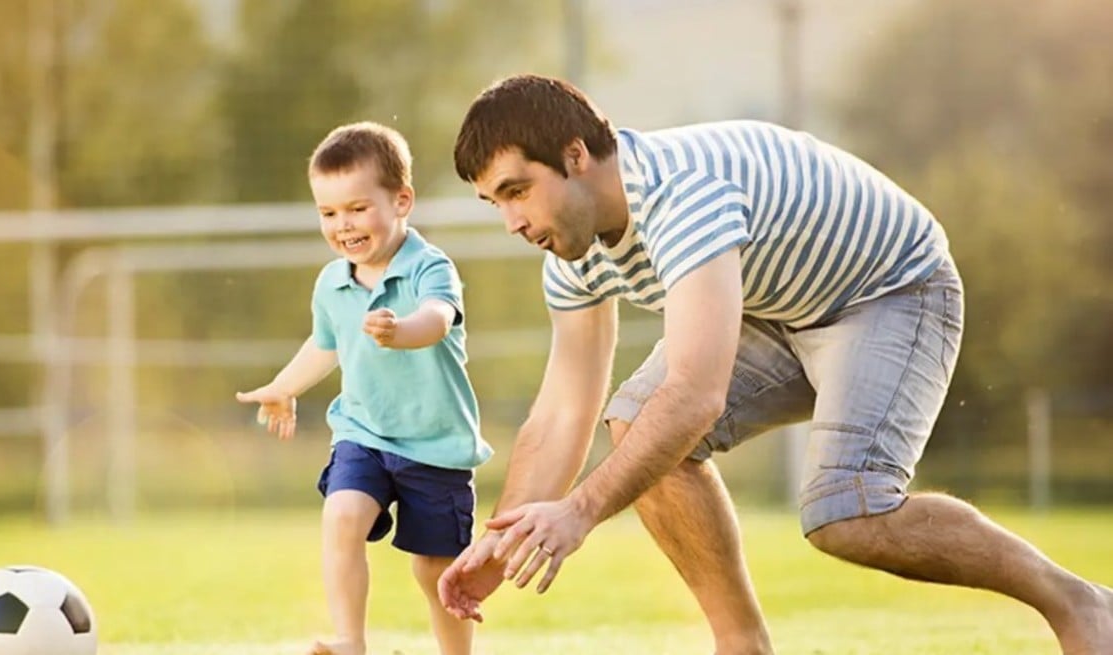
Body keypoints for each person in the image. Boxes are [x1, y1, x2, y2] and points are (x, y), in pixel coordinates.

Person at [435, 74, 1113, 654]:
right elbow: (560, 414)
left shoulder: (681, 195)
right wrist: (505, 539)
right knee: (638, 421)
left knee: (846, 514)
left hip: (889, 290)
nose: (512, 223)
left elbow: (696, 394)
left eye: (517, 190)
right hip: (780, 308)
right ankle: (743, 646)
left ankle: (1078, 601)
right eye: (495, 202)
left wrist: (579, 510)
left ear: (576, 155)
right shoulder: (574, 253)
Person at [237, 121, 492, 655]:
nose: (343, 226)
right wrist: (286, 386)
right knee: (343, 515)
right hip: (364, 433)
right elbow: (325, 344)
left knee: (434, 570)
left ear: (402, 201)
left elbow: (438, 317)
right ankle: (350, 642)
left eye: (357, 208)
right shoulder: (332, 281)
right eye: (328, 213)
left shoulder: (430, 266)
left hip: (436, 446)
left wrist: (401, 332)